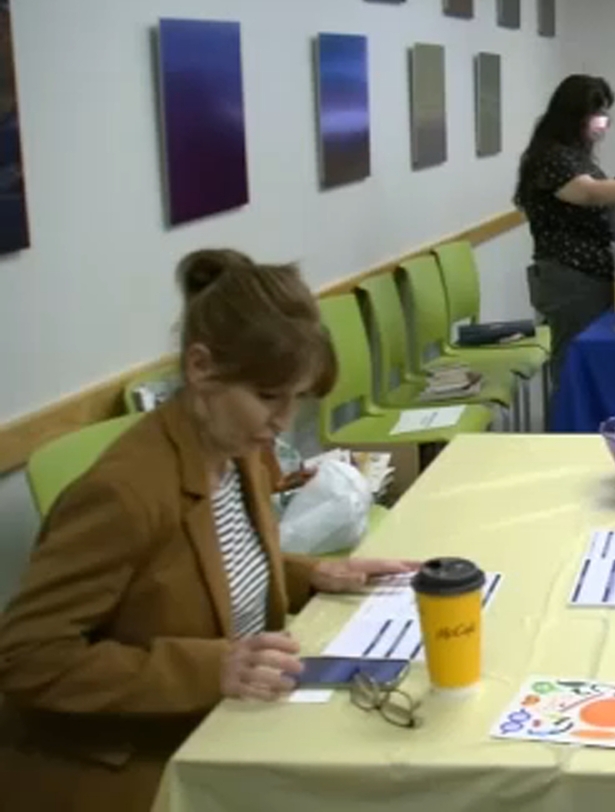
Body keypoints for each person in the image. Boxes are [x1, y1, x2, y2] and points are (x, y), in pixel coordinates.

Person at [0, 249, 419, 811]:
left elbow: (212, 574)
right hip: (124, 760)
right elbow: (26, 657)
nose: (281, 422)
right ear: (200, 369)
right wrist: (209, 668)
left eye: (294, 399)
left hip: (225, 723)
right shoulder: (124, 493)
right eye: (269, 398)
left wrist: (313, 573)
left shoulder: (234, 448)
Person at [513, 74, 615, 388]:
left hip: (596, 277)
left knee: (593, 365)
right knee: (573, 365)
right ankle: (568, 432)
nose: (602, 124)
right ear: (573, 117)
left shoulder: (575, 154)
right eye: (596, 116)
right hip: (572, 278)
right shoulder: (551, 157)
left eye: (605, 115)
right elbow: (588, 193)